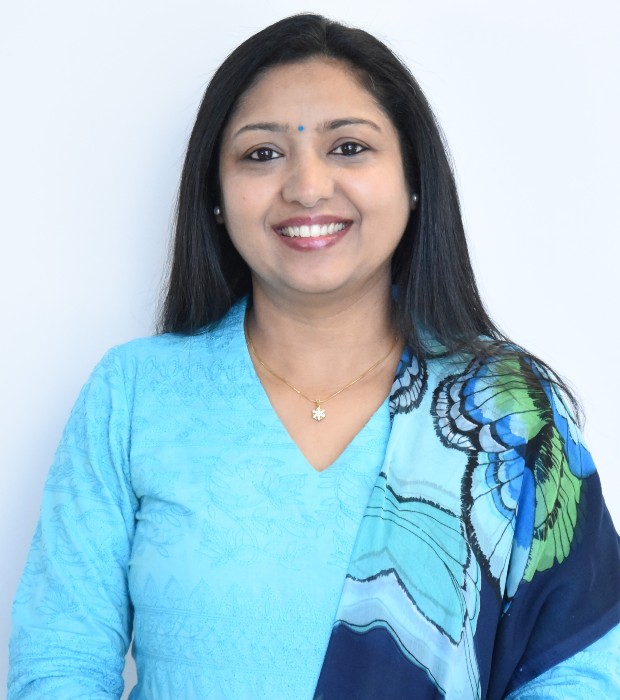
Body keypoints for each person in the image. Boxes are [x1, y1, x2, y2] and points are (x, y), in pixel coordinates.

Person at [8, 13, 620, 700]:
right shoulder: (133, 394)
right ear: (215, 196)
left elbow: (577, 671)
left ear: (413, 180)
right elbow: (58, 667)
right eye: (262, 154)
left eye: (349, 147)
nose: (306, 187)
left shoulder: (506, 406)